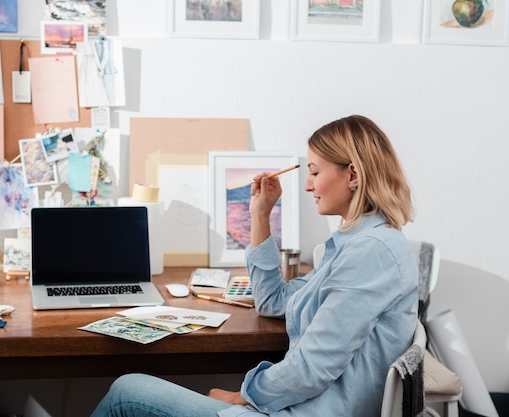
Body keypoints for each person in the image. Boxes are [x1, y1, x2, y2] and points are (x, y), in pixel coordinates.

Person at [90, 115, 418, 417]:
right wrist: (260, 214)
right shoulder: (351, 246)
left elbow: (312, 368)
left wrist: (243, 395)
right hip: (300, 405)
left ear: (353, 175)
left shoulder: (370, 252)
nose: (307, 185)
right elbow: (274, 302)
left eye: (315, 172)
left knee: (126, 393)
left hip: (308, 412)